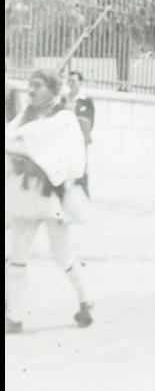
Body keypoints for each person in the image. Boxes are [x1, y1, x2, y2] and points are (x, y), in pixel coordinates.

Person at [6, 69, 92, 332]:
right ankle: (15, 316)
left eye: (38, 85)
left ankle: (86, 300)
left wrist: (30, 156)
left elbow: (66, 158)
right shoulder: (24, 117)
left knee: (61, 254)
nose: (31, 91)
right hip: (26, 195)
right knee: (17, 255)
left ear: (53, 90)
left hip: (51, 197)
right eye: (29, 86)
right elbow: (11, 139)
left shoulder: (63, 119)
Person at [67, 71, 95, 195]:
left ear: (80, 82)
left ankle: (84, 194)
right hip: (66, 138)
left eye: (74, 81)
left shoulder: (86, 101)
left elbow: (89, 122)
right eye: (69, 81)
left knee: (81, 167)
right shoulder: (65, 99)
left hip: (80, 138)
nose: (71, 84)